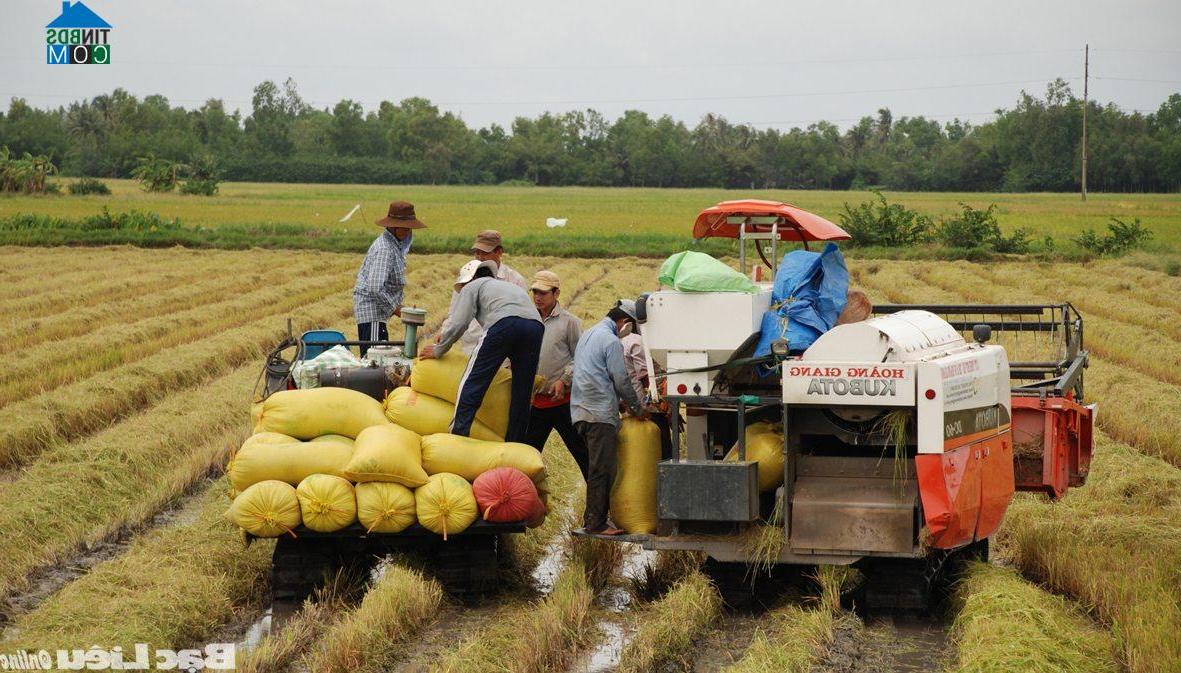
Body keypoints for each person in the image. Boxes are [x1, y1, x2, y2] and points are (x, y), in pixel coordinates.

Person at [420, 260, 543, 443]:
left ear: (470, 279)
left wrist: (439, 349)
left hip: (504, 323)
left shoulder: (473, 286)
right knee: (522, 392)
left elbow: (459, 322)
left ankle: (458, 435)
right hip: (535, 327)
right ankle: (515, 443)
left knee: (473, 380)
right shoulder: (507, 287)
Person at [571, 300, 648, 535]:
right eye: (630, 327)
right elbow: (620, 378)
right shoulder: (612, 340)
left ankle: (593, 519)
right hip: (599, 414)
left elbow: (594, 373)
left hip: (580, 411)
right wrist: (637, 407)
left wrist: (619, 401)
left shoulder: (588, 334)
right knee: (601, 468)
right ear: (624, 322)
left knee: (597, 466)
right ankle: (597, 523)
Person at [523, 270, 589, 478]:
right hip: (535, 404)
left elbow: (580, 357)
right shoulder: (526, 320)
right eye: (535, 292)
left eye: (543, 293)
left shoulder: (570, 322)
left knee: (583, 454)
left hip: (564, 403)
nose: (538, 297)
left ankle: (600, 505)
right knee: (526, 457)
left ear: (556, 293)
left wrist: (563, 379)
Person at [353, 201, 425, 356]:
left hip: (379, 315)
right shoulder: (385, 249)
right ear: (393, 226)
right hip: (372, 314)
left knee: (380, 359)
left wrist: (399, 307)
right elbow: (374, 287)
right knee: (374, 360)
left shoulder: (394, 246)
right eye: (404, 228)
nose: (407, 232)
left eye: (409, 228)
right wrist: (396, 308)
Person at [440, 230, 529, 355]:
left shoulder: (515, 280)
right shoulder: (466, 278)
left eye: (485, 253)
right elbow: (454, 314)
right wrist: (443, 335)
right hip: (469, 348)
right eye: (477, 253)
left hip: (501, 352)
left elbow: (521, 321)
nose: (480, 257)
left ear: (499, 252)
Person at [621, 331, 673, 459]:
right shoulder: (636, 340)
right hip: (649, 408)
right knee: (662, 450)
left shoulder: (619, 341)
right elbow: (647, 377)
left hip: (630, 406)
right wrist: (663, 403)